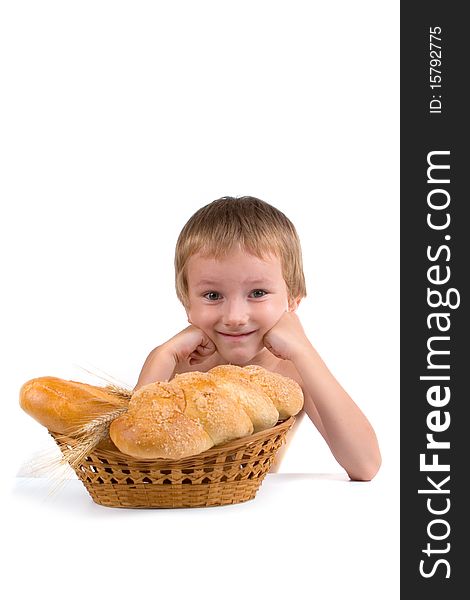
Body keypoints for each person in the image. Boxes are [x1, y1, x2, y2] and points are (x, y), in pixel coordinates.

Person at [135, 196, 381, 481]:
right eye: (213, 296)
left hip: (255, 510)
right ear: (187, 303)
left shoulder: (294, 372)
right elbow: (134, 454)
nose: (235, 316)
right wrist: (162, 356)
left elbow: (365, 465)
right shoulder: (178, 368)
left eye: (258, 293)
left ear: (292, 299)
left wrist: (304, 352)